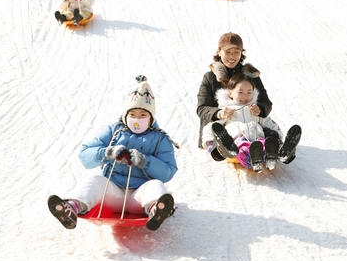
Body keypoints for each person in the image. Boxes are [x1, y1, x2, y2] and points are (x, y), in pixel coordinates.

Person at [48, 75, 179, 231]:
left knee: (156, 185)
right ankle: (71, 207)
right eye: (132, 114)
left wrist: (146, 161)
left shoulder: (159, 138)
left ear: (151, 117)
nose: (137, 119)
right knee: (95, 181)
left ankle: (156, 209)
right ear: (125, 115)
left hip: (139, 195)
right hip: (112, 193)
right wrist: (107, 152)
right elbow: (85, 156)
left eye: (143, 115)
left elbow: (168, 172)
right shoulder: (114, 131)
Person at [197, 32, 301, 165]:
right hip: (224, 124)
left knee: (268, 129)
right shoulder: (210, 78)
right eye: (228, 51)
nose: (232, 56)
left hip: (251, 123)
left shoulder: (250, 76)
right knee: (223, 132)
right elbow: (202, 108)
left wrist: (260, 109)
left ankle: (280, 149)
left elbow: (265, 102)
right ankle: (224, 148)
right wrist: (219, 113)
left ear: (241, 53)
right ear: (219, 52)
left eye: (236, 52)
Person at [201, 74, 283, 172]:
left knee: (263, 143)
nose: (245, 96)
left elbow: (269, 122)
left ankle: (272, 155)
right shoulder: (226, 111)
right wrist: (210, 144)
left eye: (249, 92)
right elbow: (212, 127)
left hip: (256, 139)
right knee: (243, 147)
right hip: (236, 143)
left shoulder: (254, 109)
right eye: (240, 92)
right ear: (230, 93)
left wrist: (277, 135)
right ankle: (249, 158)